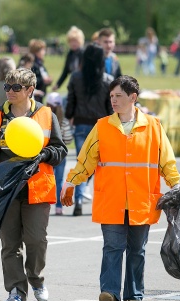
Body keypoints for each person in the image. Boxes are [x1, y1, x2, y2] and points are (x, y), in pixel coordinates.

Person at [61, 75, 180, 301]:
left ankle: (134, 294)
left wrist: (175, 184)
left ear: (132, 97)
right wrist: (71, 182)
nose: (113, 101)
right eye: (111, 96)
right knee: (112, 247)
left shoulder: (153, 127)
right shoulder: (102, 126)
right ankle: (109, 293)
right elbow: (86, 160)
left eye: (118, 96)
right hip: (112, 199)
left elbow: (166, 160)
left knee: (137, 249)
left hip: (141, 200)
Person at [0, 68, 67, 301]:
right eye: (7, 87)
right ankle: (16, 289)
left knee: (36, 240)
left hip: (37, 188)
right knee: (10, 244)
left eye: (16, 88)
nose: (10, 92)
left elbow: (60, 150)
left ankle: (36, 279)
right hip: (4, 192)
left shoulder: (47, 115)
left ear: (29, 90)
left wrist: (45, 153)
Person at [65, 43, 113, 216]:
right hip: (101, 126)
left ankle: (78, 198)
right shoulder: (108, 80)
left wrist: (69, 114)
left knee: (82, 164)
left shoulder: (76, 77)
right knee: (97, 166)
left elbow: (70, 101)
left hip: (81, 124)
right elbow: (111, 108)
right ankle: (94, 197)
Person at [46, 92, 72, 216]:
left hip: (47, 154)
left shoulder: (44, 118)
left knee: (46, 179)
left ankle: (44, 203)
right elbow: (68, 139)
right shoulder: (64, 121)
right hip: (61, 155)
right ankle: (59, 207)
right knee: (59, 180)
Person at [52, 26, 84, 91]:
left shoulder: (84, 54)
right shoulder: (70, 54)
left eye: (75, 41)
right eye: (71, 41)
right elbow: (66, 71)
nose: (73, 43)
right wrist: (57, 85)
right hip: (73, 84)